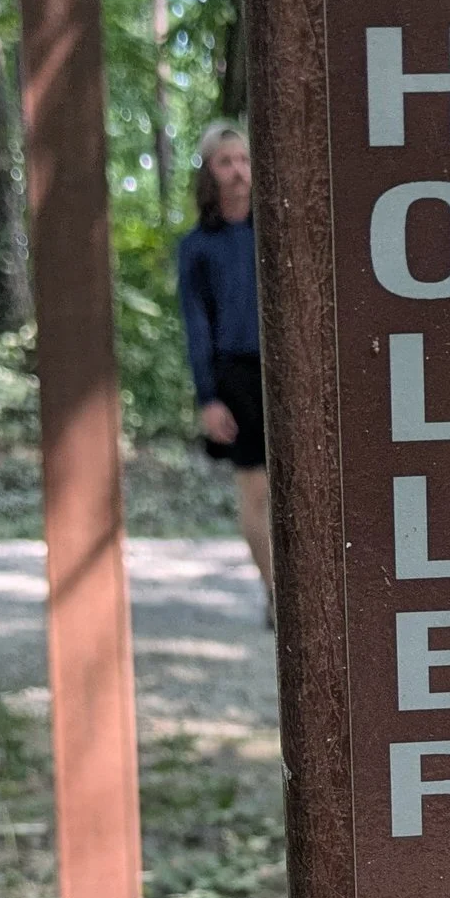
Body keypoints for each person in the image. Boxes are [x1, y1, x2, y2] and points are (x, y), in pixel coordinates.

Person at [175, 121, 273, 611]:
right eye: (226, 162)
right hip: (235, 374)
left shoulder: (278, 233)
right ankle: (278, 596)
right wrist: (208, 398)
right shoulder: (197, 248)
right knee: (255, 491)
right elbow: (197, 326)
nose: (238, 172)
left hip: (287, 373)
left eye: (244, 160)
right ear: (209, 174)